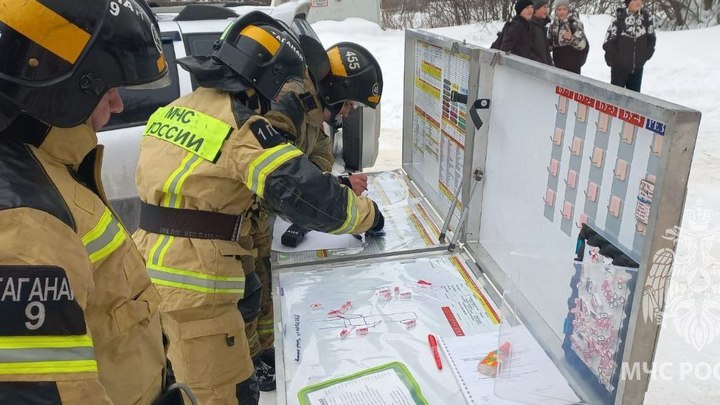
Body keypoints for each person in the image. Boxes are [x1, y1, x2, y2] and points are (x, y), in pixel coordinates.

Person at [133, 11, 385, 405]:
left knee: (174, 383)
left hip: (150, 270)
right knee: (221, 395)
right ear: (267, 78)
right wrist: (369, 214)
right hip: (198, 288)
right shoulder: (243, 130)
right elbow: (309, 199)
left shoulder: (172, 110)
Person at [0, 0, 175, 403]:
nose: (116, 105)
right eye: (105, 90)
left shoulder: (48, 164)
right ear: (59, 90)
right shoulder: (24, 223)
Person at [247, 40, 384, 392]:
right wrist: (366, 215)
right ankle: (256, 368)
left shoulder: (311, 110)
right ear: (336, 92)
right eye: (350, 105)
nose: (349, 113)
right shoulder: (287, 106)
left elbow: (315, 159)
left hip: (259, 228)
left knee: (263, 305)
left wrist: (329, 182)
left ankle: (266, 359)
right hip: (242, 231)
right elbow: (287, 186)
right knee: (249, 306)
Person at [603, 0, 656, 92]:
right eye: (634, 0)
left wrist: (643, 58)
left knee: (633, 100)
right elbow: (608, 43)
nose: (638, 2)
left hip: (637, 70)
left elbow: (651, 40)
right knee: (615, 99)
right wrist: (615, 61)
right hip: (619, 70)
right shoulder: (619, 18)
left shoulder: (646, 18)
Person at [547, 0, 589, 74]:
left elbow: (582, 45)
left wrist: (571, 39)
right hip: (558, 64)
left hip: (573, 66)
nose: (561, 12)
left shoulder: (575, 23)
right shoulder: (553, 25)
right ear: (556, 11)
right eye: (559, 9)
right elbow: (549, 45)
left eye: (564, 9)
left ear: (568, 10)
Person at [529, 0, 553, 65]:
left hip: (544, 69)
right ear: (536, 9)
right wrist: (540, 64)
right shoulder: (529, 26)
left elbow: (545, 52)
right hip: (535, 70)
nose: (547, 10)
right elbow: (526, 50)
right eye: (544, 7)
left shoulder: (542, 26)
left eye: (547, 7)